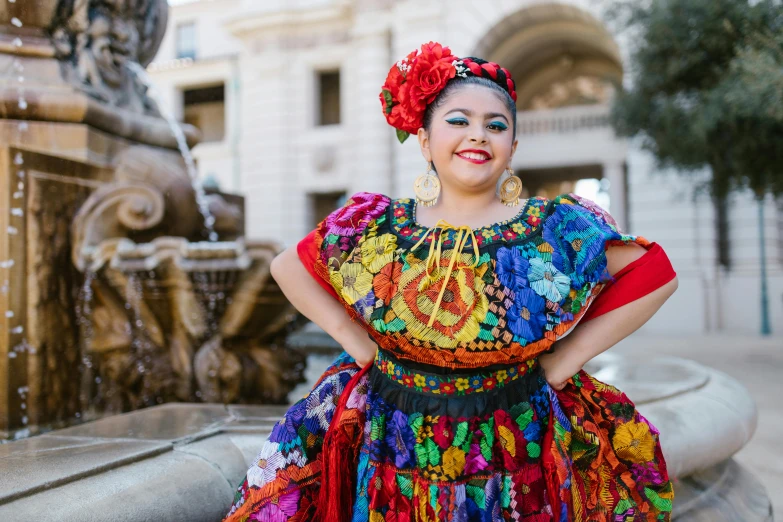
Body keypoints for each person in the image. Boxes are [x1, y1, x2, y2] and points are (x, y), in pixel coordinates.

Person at [223, 41, 678, 522]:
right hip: (393, 431)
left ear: (513, 149)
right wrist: (356, 343)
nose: (477, 135)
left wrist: (567, 359)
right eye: (459, 121)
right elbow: (287, 267)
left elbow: (655, 272)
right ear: (424, 140)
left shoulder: (551, 226)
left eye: (495, 126)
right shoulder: (382, 225)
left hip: (513, 432)